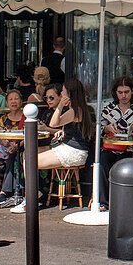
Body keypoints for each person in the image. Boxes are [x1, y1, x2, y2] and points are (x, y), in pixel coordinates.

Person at [27, 79, 96, 214]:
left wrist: (59, 106)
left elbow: (53, 123)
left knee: (29, 161)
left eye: (63, 91)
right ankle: (38, 191)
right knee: (27, 154)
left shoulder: (74, 111)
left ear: (69, 94)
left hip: (72, 151)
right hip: (71, 148)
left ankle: (32, 197)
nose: (62, 93)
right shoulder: (79, 109)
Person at [0, 89, 43, 206]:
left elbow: (30, 135)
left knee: (12, 156)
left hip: (20, 147)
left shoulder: (27, 117)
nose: (14, 102)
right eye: (10, 99)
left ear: (21, 101)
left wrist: (17, 145)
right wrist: (3, 141)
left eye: (16, 99)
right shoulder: (3, 119)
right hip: (5, 148)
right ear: (7, 103)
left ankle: (5, 190)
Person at [95, 76, 133, 209]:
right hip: (111, 148)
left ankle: (128, 202)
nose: (124, 96)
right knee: (103, 162)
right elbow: (99, 129)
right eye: (120, 92)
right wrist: (107, 128)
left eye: (127, 92)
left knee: (130, 165)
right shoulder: (108, 109)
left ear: (132, 92)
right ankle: (104, 202)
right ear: (115, 93)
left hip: (130, 149)